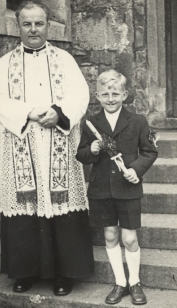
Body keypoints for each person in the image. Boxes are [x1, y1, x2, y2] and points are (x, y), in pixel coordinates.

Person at [0, 0, 94, 295]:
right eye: (27, 24)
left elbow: (80, 95)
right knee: (25, 203)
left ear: (48, 25)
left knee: (60, 202)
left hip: (57, 143)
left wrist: (59, 113)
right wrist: (29, 113)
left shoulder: (65, 59)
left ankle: (64, 274)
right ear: (17, 26)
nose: (33, 29)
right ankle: (25, 272)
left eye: (39, 23)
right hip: (21, 144)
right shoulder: (5, 63)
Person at [76, 69, 158, 305]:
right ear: (97, 96)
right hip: (101, 190)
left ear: (125, 94)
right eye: (105, 94)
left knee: (130, 238)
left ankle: (135, 282)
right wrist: (90, 150)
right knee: (110, 235)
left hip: (128, 189)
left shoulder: (138, 121)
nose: (110, 98)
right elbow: (81, 154)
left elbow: (150, 151)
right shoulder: (91, 122)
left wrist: (136, 170)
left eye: (115, 93)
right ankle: (120, 282)